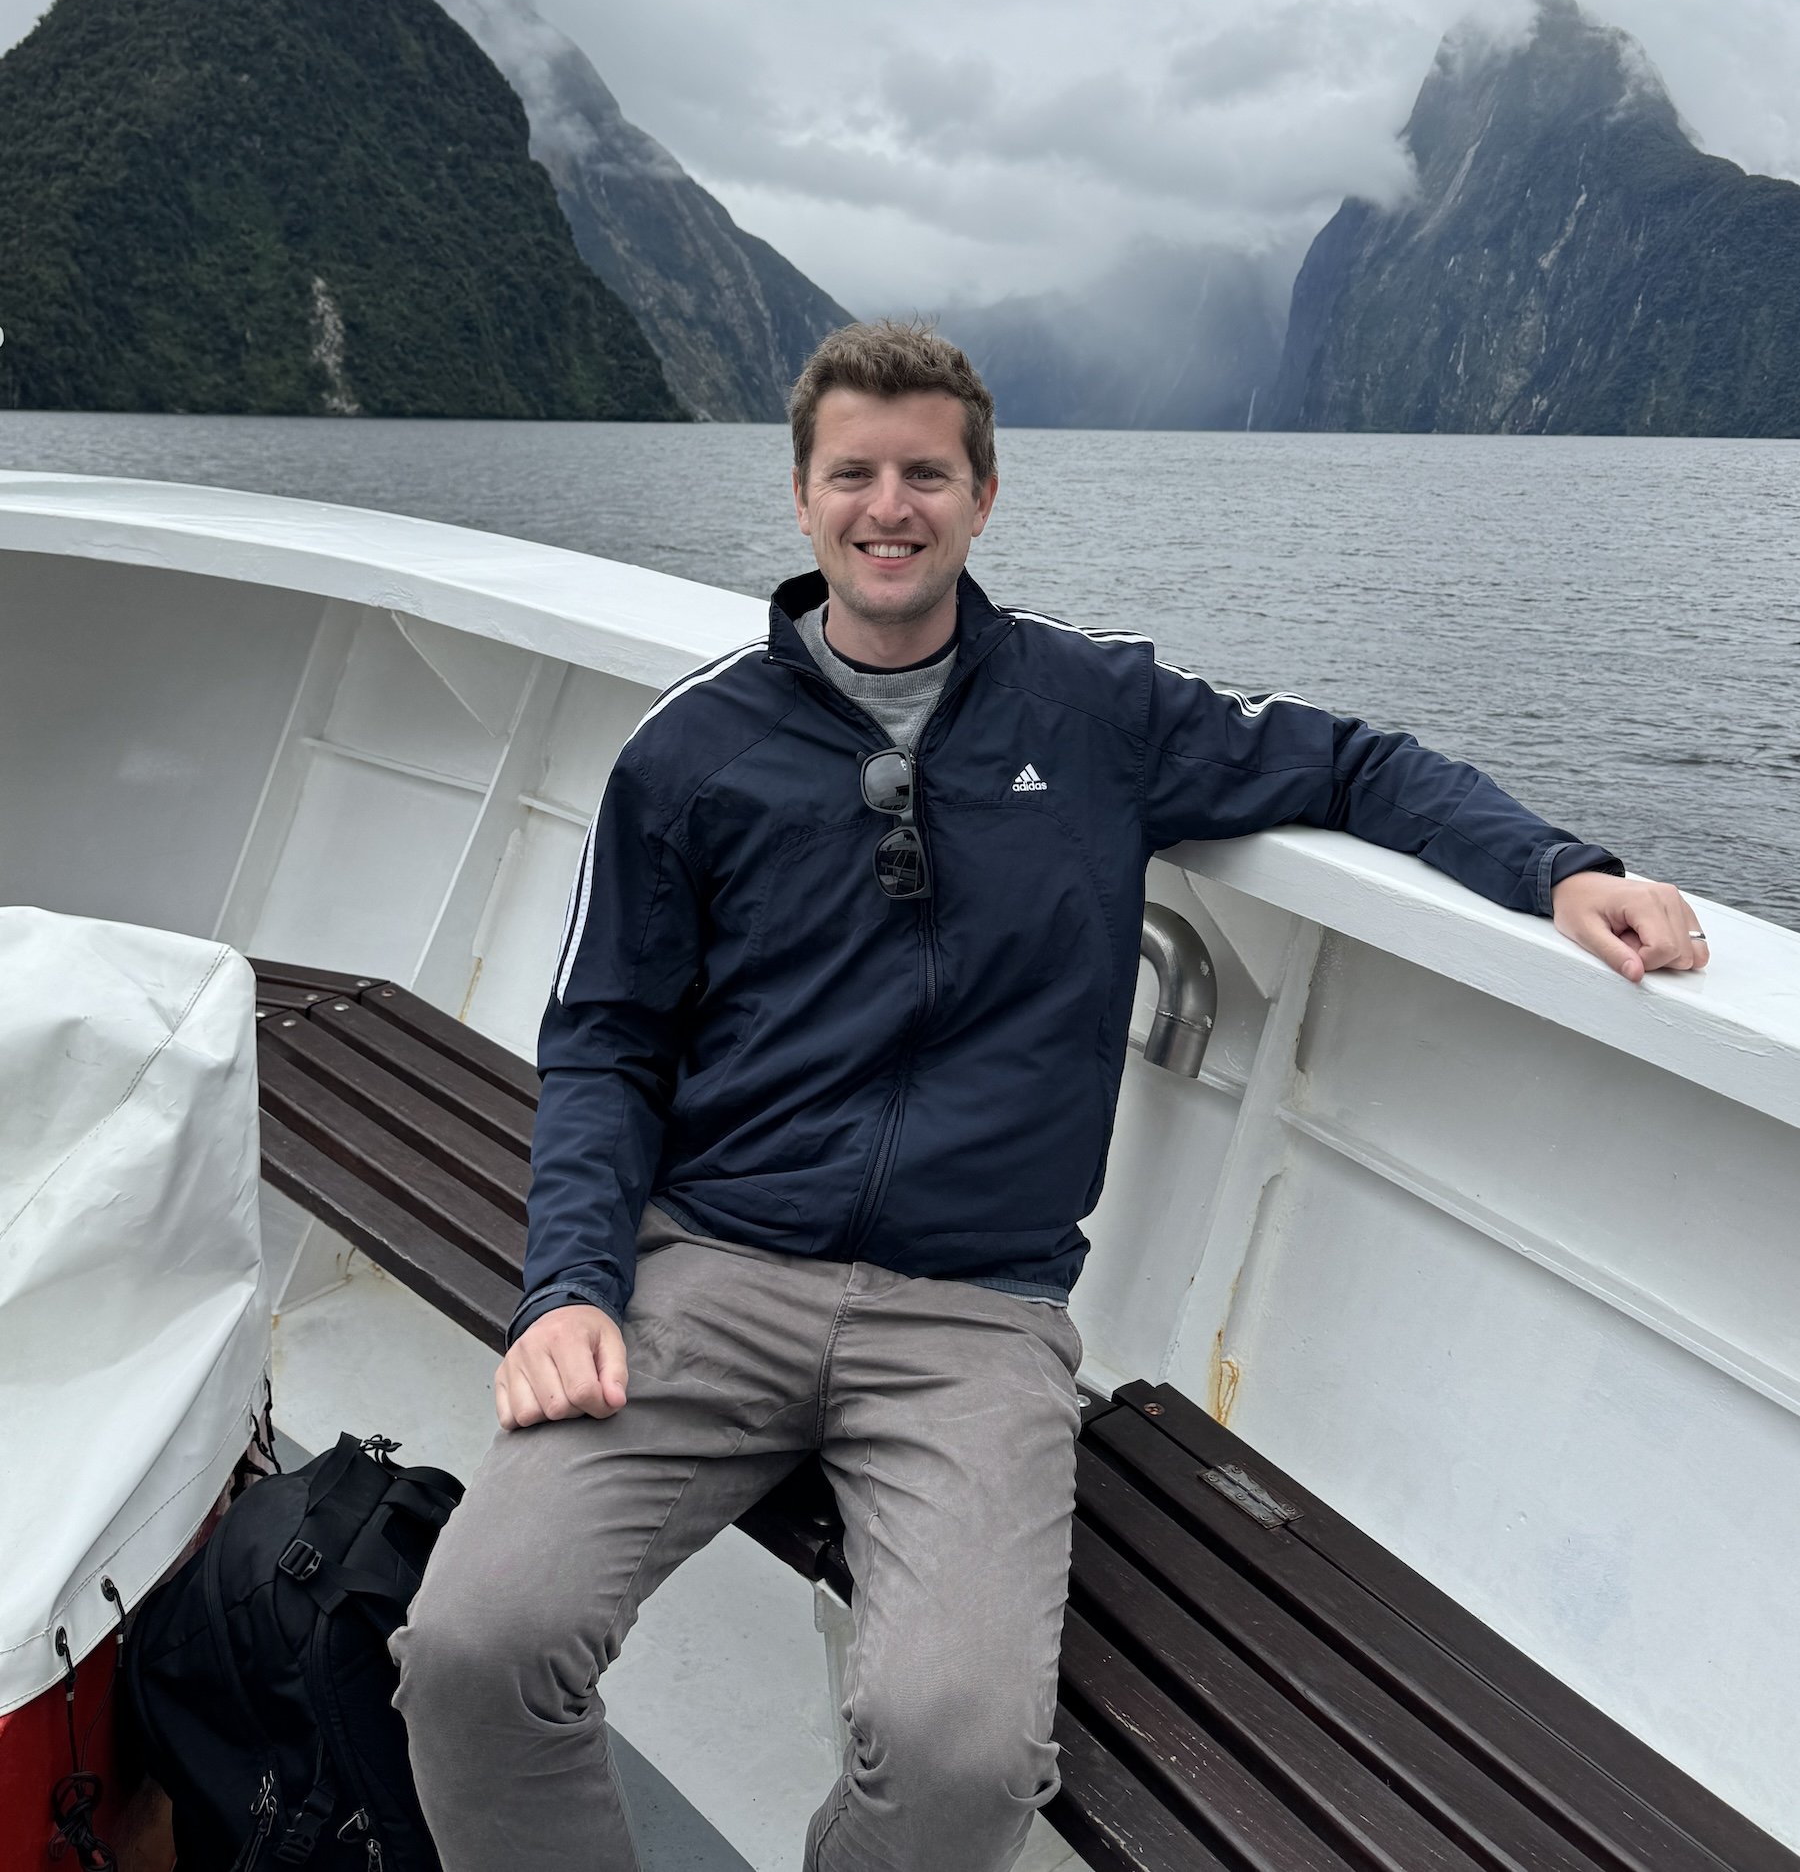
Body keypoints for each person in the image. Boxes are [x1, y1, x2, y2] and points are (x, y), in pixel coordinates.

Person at [393, 321, 1709, 1872]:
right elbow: (605, 1039)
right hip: (714, 1269)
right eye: (856, 473)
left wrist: (1562, 867)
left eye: (927, 473)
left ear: (986, 494)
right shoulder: (693, 750)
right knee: (473, 1650)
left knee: (961, 1760)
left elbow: (1349, 765)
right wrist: (567, 1284)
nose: (892, 506)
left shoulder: (1096, 714)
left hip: (975, 1315)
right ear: (803, 499)